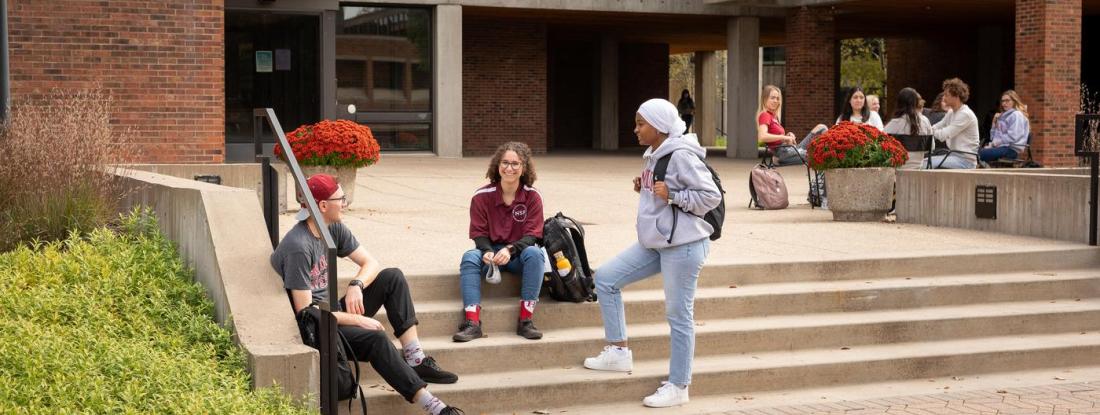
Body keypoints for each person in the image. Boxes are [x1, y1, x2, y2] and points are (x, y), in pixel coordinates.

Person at [271, 174, 462, 415]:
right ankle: (434, 407)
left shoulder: (332, 228)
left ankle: (415, 359)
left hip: (332, 312)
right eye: (340, 198)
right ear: (322, 206)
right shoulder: (299, 246)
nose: (345, 203)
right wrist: (357, 319)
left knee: (392, 277)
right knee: (376, 339)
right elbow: (306, 312)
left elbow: (370, 262)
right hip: (317, 327)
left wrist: (356, 284)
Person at [583, 98, 722, 408]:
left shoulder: (682, 156)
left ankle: (678, 385)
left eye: (640, 124)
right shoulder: (655, 154)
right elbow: (659, 193)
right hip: (657, 243)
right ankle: (618, 352)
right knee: (605, 279)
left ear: (659, 126)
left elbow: (710, 195)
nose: (635, 129)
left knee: (678, 316)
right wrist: (644, 187)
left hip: (683, 246)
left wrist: (674, 195)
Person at [453, 141, 546, 342]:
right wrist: (486, 250)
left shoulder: (532, 196)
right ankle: (472, 323)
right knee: (469, 257)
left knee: (536, 254)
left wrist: (510, 249)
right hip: (491, 253)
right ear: (497, 165)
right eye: (505, 162)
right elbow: (478, 232)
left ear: (524, 168)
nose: (509, 168)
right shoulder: (481, 196)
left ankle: (526, 320)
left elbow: (533, 235)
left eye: (515, 164)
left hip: (518, 254)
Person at [755, 84, 828, 166]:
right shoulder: (765, 115)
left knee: (821, 128)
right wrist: (785, 137)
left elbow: (776, 140)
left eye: (777, 98)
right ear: (765, 99)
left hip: (789, 150)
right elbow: (762, 136)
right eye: (772, 98)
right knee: (821, 155)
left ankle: (830, 151)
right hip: (784, 154)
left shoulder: (773, 117)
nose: (775, 101)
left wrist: (787, 136)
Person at [925, 78, 980, 169]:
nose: (944, 97)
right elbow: (937, 126)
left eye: (947, 95)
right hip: (953, 156)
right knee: (924, 162)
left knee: (925, 164)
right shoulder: (952, 112)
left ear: (956, 96)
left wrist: (929, 131)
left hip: (965, 161)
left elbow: (943, 135)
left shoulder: (965, 114)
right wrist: (930, 130)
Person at [885, 88, 934, 170]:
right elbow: (931, 147)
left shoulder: (894, 124)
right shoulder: (925, 121)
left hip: (897, 170)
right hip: (919, 169)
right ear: (916, 102)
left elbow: (882, 147)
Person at [980, 89, 1030, 162]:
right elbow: (993, 137)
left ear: (1014, 101)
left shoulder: (1016, 115)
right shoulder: (1003, 116)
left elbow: (1013, 137)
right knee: (975, 153)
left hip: (1010, 150)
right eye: (1003, 101)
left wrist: (994, 144)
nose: (1004, 103)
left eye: (1007, 101)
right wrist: (994, 123)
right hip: (1001, 148)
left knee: (978, 155)